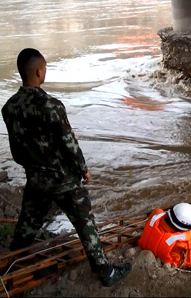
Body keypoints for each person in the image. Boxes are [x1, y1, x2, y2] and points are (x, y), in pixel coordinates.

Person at [2, 48, 131, 287]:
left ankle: (13, 266)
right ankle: (105, 272)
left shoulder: (9, 107)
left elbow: (17, 150)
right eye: (45, 68)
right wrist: (83, 170)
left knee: (27, 226)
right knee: (86, 225)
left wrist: (35, 167)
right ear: (39, 71)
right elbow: (69, 144)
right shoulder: (52, 106)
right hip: (64, 181)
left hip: (36, 180)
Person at [138, 203, 191, 269]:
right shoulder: (178, 241)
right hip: (174, 259)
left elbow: (160, 212)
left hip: (148, 245)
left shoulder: (155, 216)